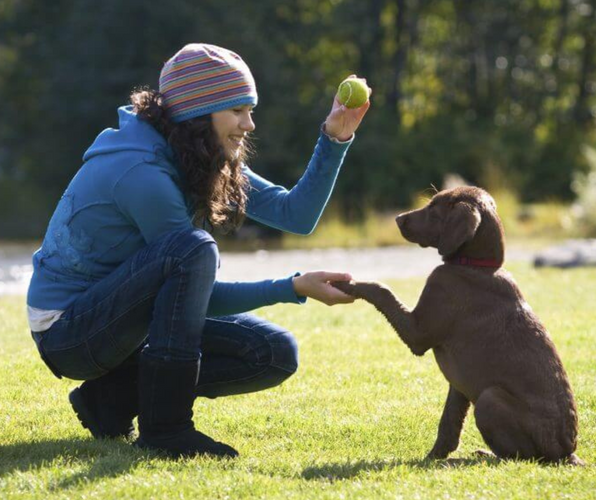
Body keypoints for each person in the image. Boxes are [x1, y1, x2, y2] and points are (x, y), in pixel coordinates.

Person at [26, 43, 370, 458]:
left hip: (125, 322)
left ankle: (110, 400)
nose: (249, 124)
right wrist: (291, 287)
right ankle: (166, 430)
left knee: (273, 353)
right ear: (198, 113)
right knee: (193, 249)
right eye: (238, 110)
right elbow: (196, 291)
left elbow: (294, 214)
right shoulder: (142, 172)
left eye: (250, 109)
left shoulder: (197, 153)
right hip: (69, 332)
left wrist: (336, 136)